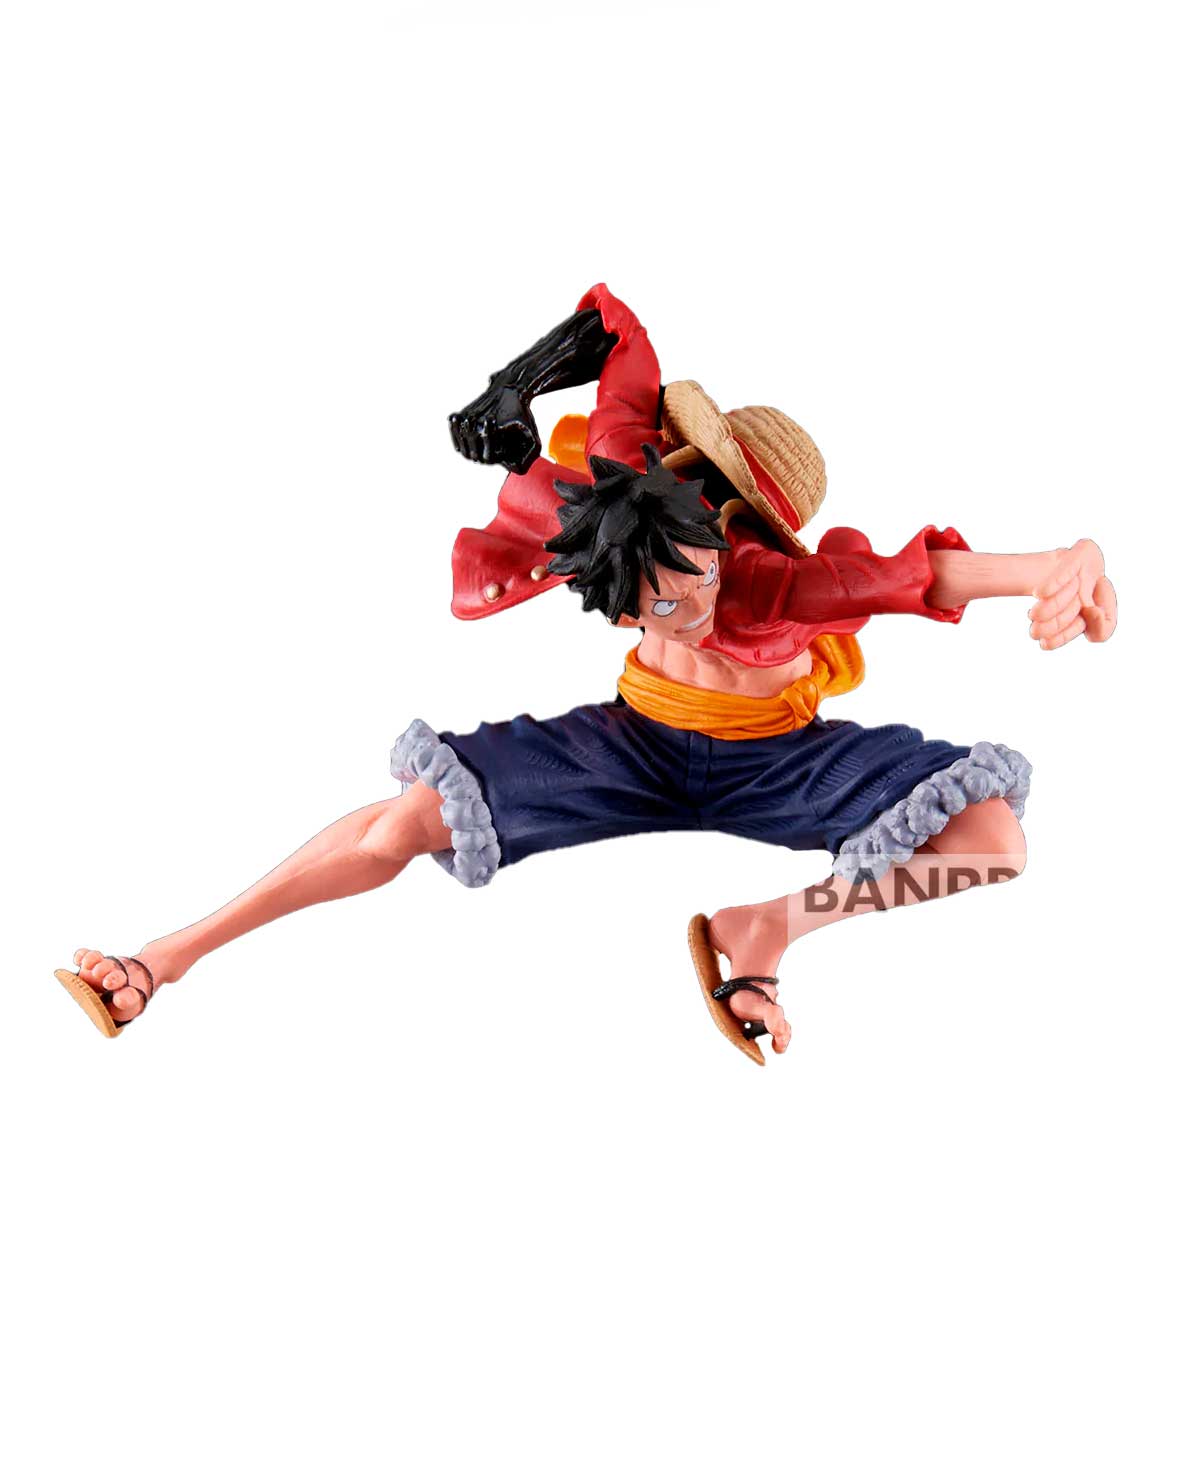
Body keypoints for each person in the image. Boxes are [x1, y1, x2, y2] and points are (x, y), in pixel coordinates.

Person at [61, 286, 1116, 1062]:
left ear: (740, 533)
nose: (669, 615)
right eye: (641, 604)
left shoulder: (789, 586)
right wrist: (513, 387)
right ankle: (168, 955)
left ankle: (768, 928)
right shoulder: (611, 495)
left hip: (783, 764)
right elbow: (617, 324)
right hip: (630, 745)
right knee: (406, 820)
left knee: (995, 842)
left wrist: (1067, 564)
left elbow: (930, 574)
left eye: (687, 595)